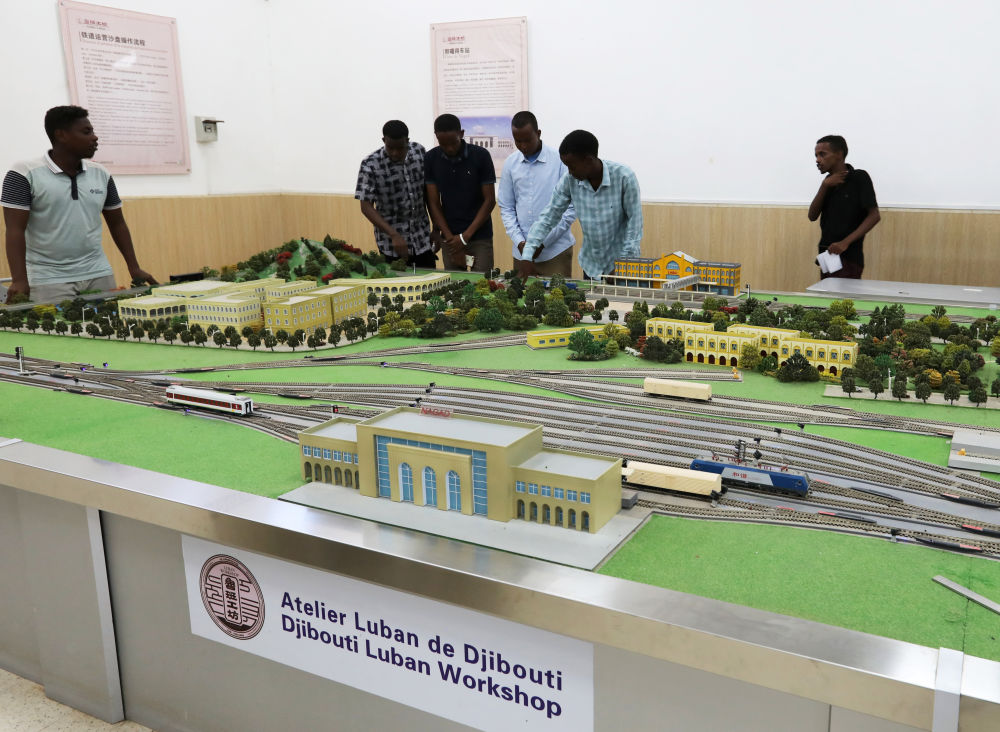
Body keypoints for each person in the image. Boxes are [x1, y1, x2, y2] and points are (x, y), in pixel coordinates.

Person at [2, 105, 157, 304]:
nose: (95, 137)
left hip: (98, 273)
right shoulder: (23, 173)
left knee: (109, 323)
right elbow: (14, 230)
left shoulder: (101, 174)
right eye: (86, 132)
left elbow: (118, 224)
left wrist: (134, 267)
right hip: (48, 279)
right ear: (61, 135)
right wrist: (19, 280)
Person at [521, 129, 642, 280]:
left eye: (572, 166)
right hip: (591, 267)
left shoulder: (624, 177)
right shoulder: (569, 181)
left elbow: (634, 225)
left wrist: (623, 265)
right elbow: (548, 216)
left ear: (588, 160)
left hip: (622, 267)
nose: (569, 172)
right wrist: (528, 254)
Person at [498, 111, 576, 278]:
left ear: (538, 134)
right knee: (521, 294)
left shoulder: (560, 161)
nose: (523, 146)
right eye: (518, 141)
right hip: (521, 252)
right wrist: (520, 242)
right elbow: (506, 207)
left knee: (557, 294)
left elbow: (570, 209)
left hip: (554, 252)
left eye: (527, 140)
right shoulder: (510, 164)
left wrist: (542, 242)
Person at [355, 120, 436, 268]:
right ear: (383, 140)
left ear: (407, 141)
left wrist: (436, 228)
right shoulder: (370, 164)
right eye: (390, 148)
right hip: (390, 245)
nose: (395, 153)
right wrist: (393, 234)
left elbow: (429, 195)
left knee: (430, 280)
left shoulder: (419, 152)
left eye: (400, 148)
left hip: (422, 240)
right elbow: (366, 206)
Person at [424, 113, 496, 272]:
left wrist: (464, 238)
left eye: (453, 143)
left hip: (479, 236)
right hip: (449, 236)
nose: (449, 148)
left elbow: (490, 200)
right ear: (436, 137)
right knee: (455, 283)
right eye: (443, 144)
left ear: (461, 134)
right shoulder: (431, 158)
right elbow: (434, 203)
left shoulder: (481, 156)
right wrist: (451, 240)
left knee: (482, 281)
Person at [807, 135, 880, 279]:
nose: (818, 160)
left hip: (848, 257)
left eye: (822, 154)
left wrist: (844, 243)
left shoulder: (859, 177)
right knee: (826, 292)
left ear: (839, 154)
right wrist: (824, 186)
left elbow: (874, 216)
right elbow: (812, 216)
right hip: (827, 255)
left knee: (841, 294)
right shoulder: (828, 182)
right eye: (816, 155)